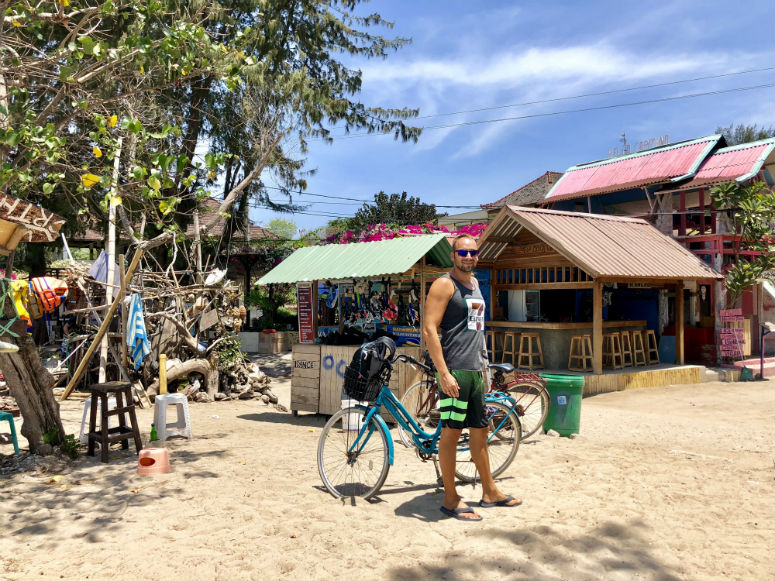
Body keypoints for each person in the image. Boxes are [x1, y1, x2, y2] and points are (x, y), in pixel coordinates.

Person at [422, 233, 521, 521]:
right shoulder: (444, 284)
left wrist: (484, 367)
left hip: (476, 370)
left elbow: (475, 328)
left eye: (473, 252)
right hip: (455, 371)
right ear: (453, 256)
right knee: (451, 433)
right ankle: (451, 498)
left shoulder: (475, 284)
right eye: (462, 253)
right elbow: (430, 330)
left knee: (480, 430)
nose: (468, 257)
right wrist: (444, 373)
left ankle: (489, 490)